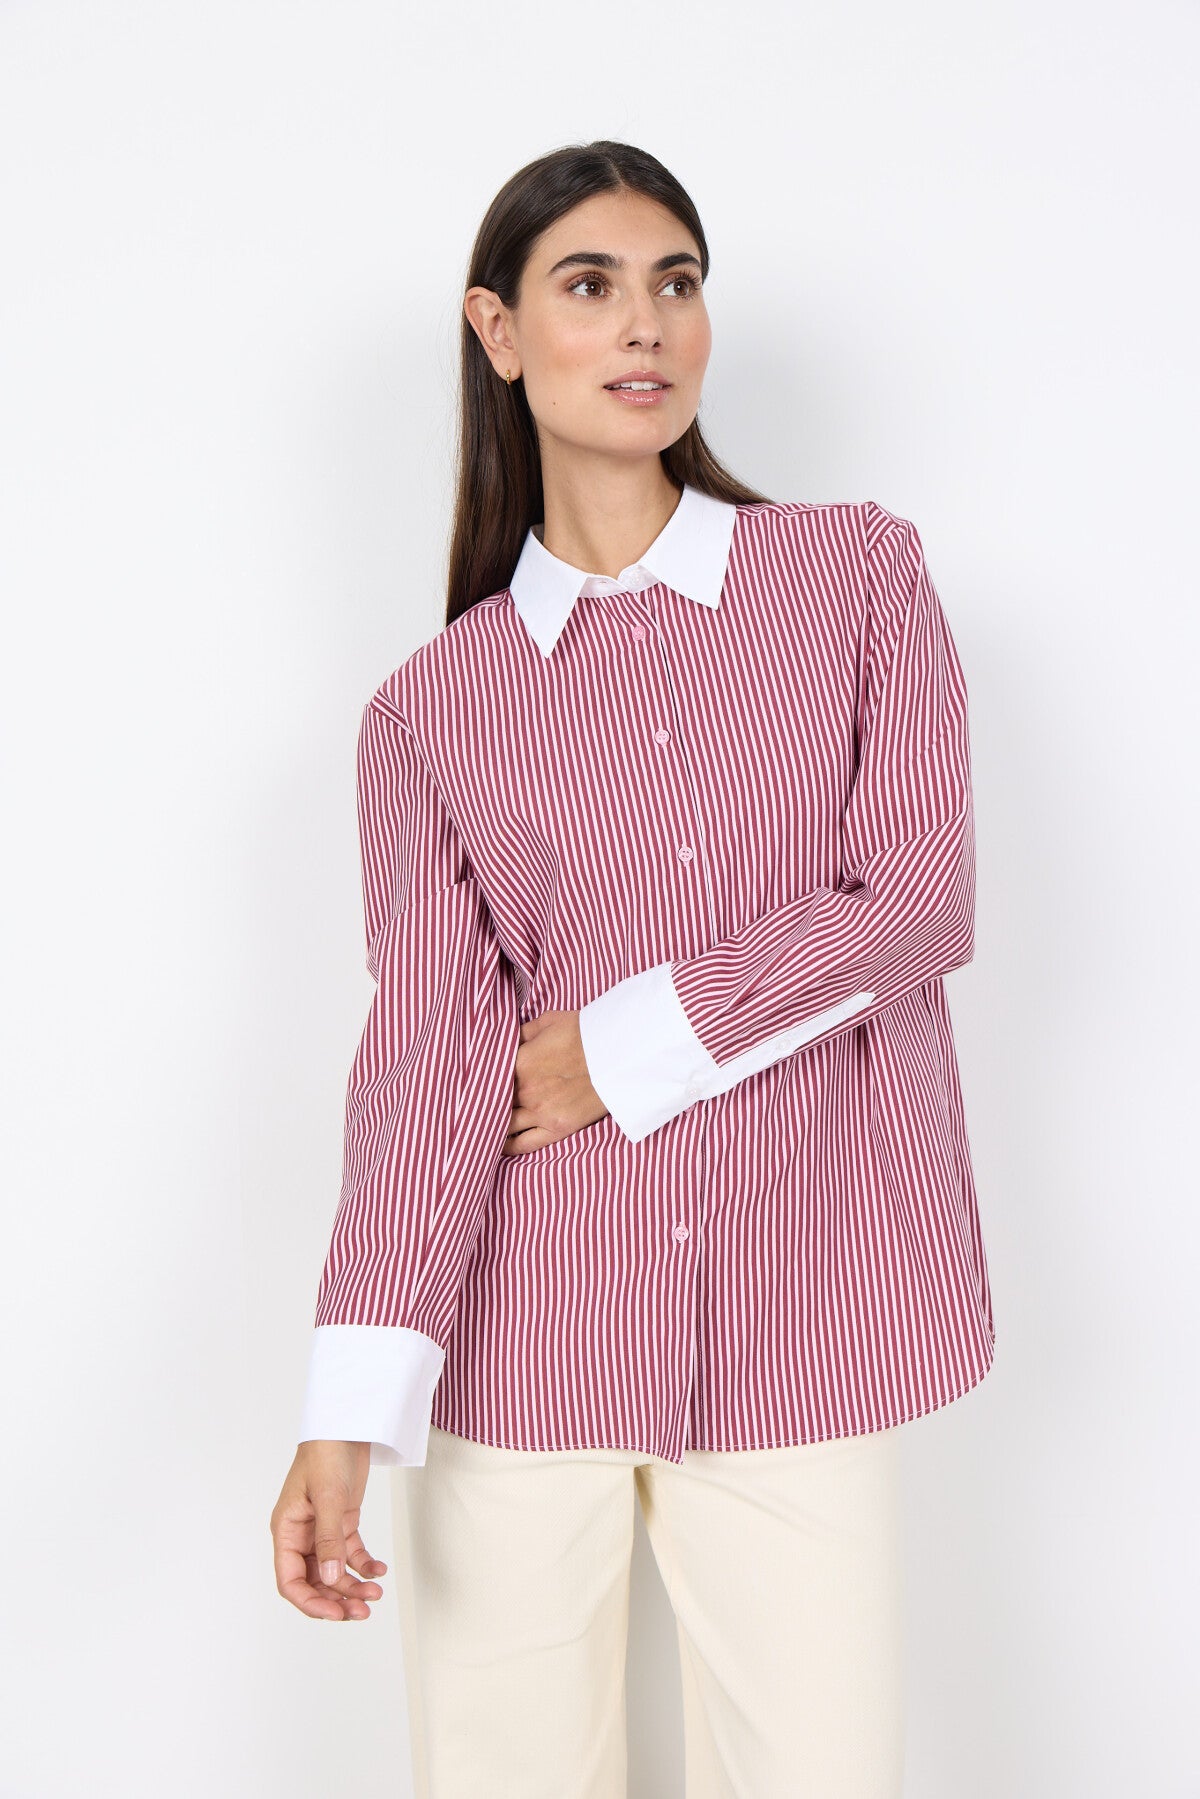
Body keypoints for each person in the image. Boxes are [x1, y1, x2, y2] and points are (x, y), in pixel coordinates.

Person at [270, 139, 996, 1798]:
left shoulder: (856, 578)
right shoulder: (431, 713)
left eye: (676, 282)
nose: (646, 323)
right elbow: (427, 1074)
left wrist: (620, 1046)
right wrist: (345, 1412)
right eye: (589, 286)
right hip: (523, 1342)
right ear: (499, 331)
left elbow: (920, 900)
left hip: (807, 1317)